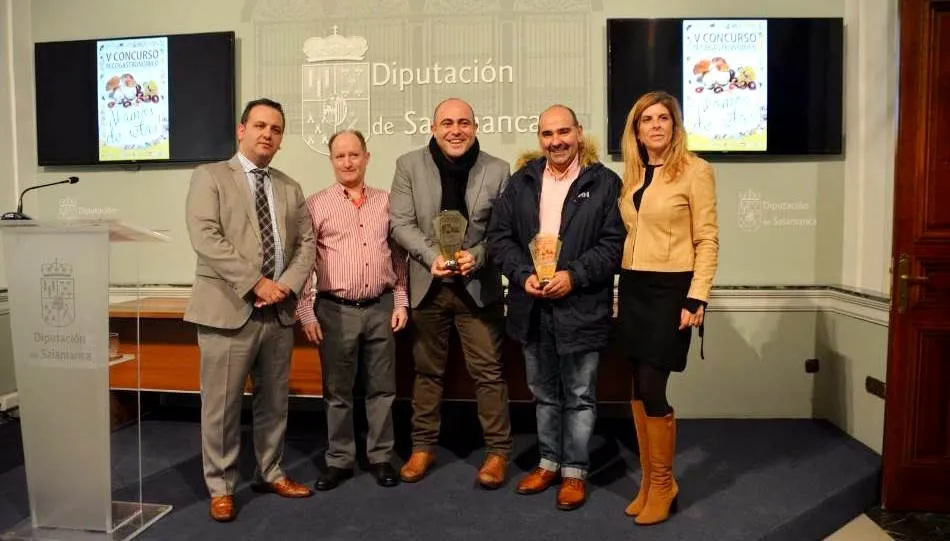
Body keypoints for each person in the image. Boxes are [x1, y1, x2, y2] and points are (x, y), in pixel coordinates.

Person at [184, 98, 317, 522]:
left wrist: (286, 287)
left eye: (275, 129)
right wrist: (255, 282)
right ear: (241, 130)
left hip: (277, 313)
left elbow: (305, 245)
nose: (267, 134)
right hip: (228, 309)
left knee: (274, 402)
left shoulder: (290, 186)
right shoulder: (209, 177)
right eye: (259, 125)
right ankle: (221, 486)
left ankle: (270, 471)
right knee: (221, 407)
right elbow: (206, 237)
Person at [487, 105, 625, 510]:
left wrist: (574, 276)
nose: (556, 141)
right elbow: (499, 239)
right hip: (532, 307)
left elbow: (614, 246)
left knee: (580, 395)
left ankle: (575, 472)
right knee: (544, 393)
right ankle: (548, 462)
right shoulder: (522, 183)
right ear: (539, 138)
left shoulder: (603, 184)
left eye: (563, 132)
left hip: (581, 305)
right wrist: (521, 273)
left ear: (579, 133)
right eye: (547, 134)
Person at [389, 97, 513, 488]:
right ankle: (423, 447)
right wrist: (430, 258)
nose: (455, 130)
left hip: (477, 288)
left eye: (463, 123)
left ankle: (497, 452)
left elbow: (503, 230)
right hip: (429, 285)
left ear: (475, 128)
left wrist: (477, 255)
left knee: (489, 373)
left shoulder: (498, 169)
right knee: (427, 372)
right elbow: (400, 223)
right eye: (447, 123)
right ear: (433, 127)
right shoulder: (408, 165)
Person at [617, 91, 719, 525]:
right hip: (635, 285)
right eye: (646, 120)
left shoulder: (696, 171)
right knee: (638, 386)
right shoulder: (635, 174)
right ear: (636, 130)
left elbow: (708, 239)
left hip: (672, 288)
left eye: (663, 118)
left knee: (655, 387)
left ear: (675, 126)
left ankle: (664, 483)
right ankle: (649, 480)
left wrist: (697, 296)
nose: (655, 126)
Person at [295, 130, 409, 491]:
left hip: (381, 306)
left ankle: (380, 456)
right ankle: (340, 460)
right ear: (331, 160)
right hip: (334, 309)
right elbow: (304, 262)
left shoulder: (387, 202)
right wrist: (306, 312)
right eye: (340, 156)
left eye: (354, 155)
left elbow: (399, 257)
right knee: (338, 391)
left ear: (367, 157)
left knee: (382, 389)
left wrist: (401, 299)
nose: (347, 162)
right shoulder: (315, 206)